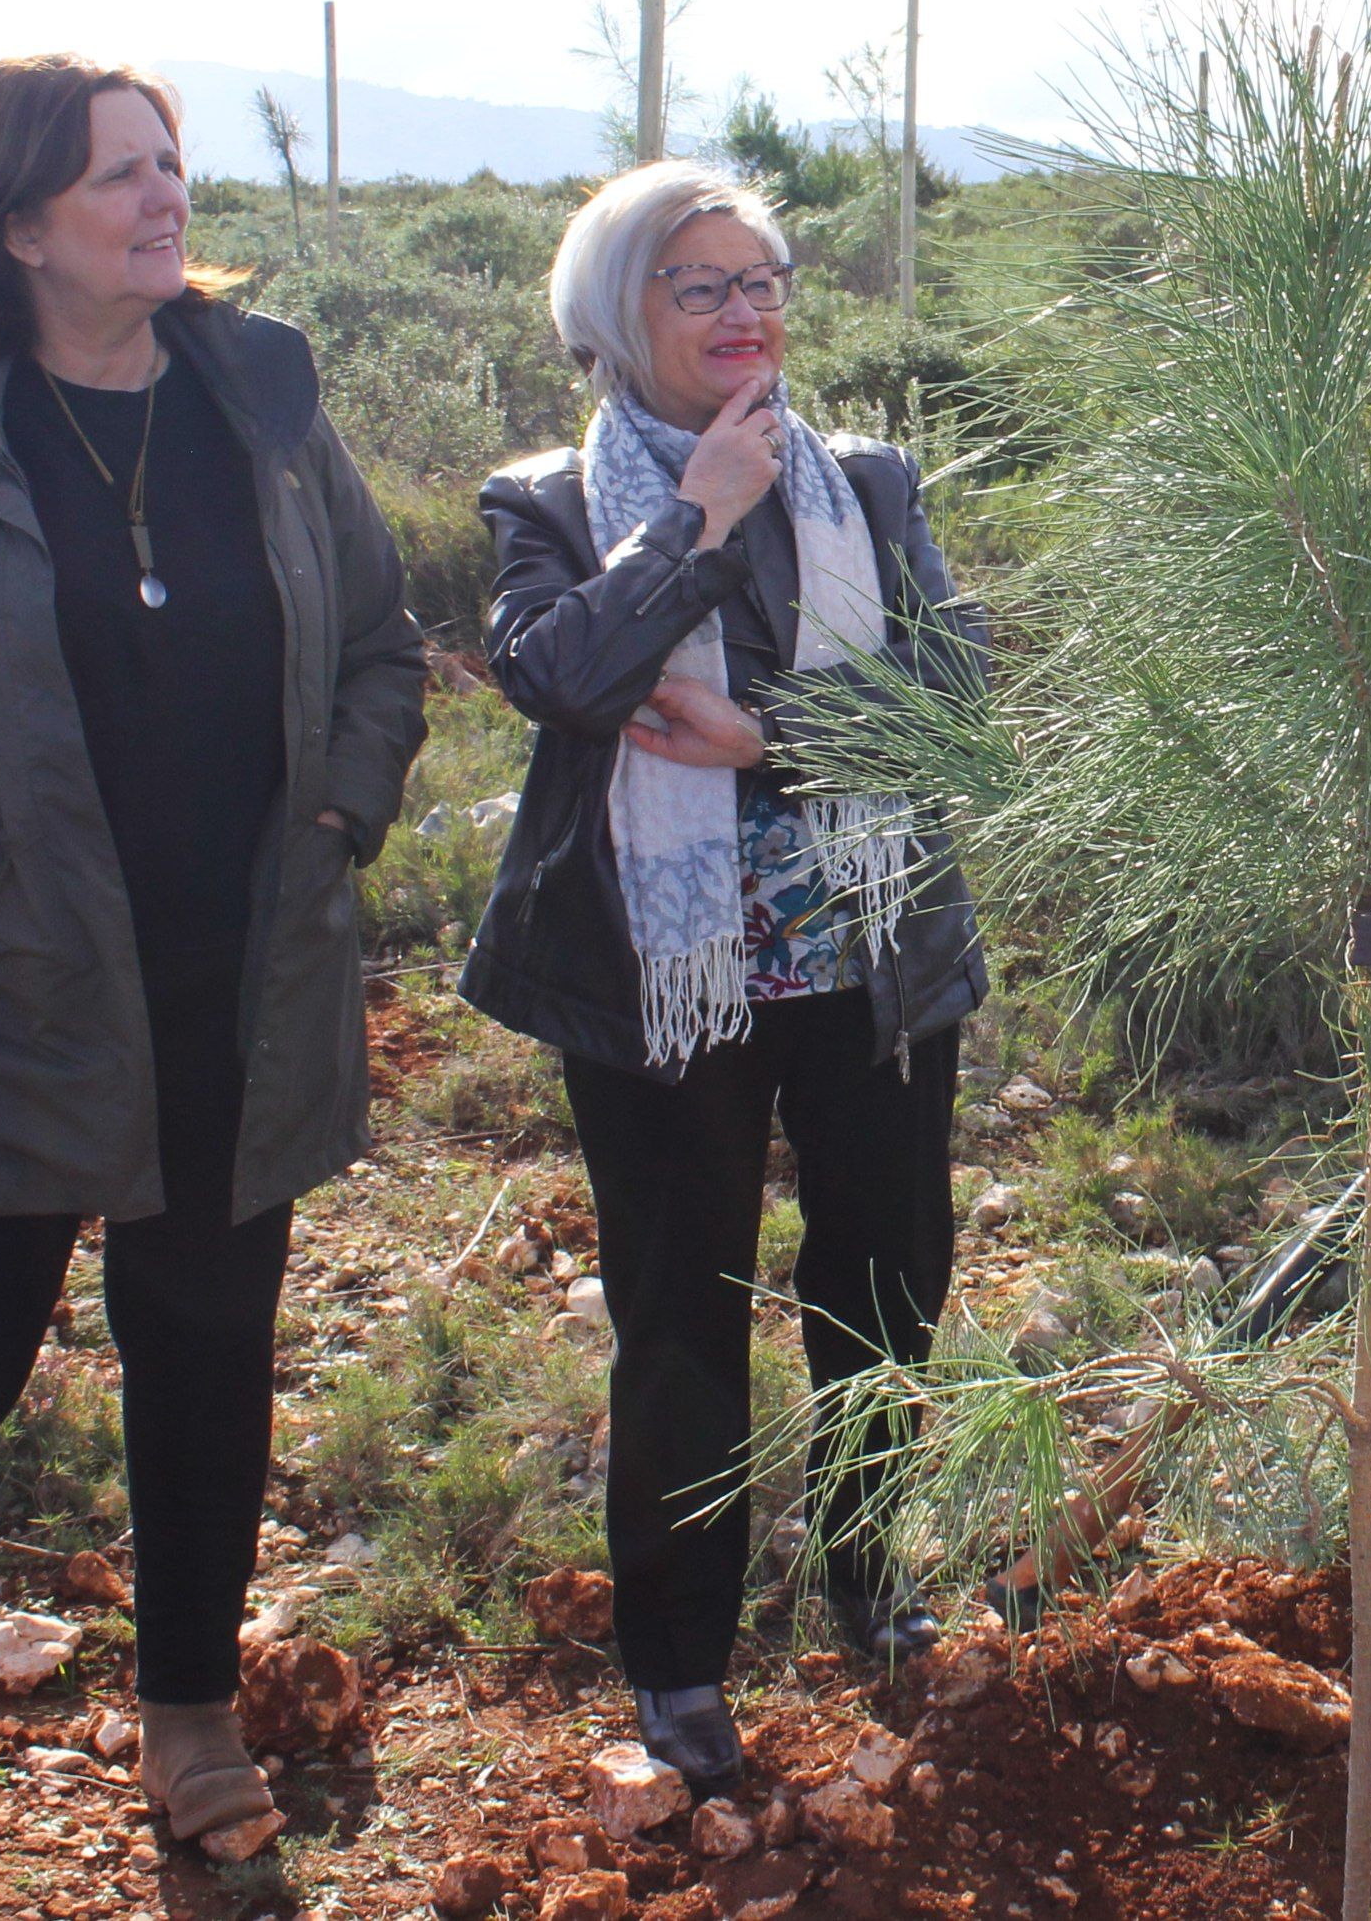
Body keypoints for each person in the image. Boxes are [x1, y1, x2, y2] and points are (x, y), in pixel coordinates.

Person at [0, 57, 429, 1891]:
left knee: (204, 1354)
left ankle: (191, 1718)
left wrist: (339, 815)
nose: (164, 196)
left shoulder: (260, 397)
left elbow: (377, 639)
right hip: (1, 985)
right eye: (121, 174)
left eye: (170, 163)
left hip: (236, 974)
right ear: (20, 222)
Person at [459, 159, 988, 1799]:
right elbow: (563, 675)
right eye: (703, 286)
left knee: (883, 1282)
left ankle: (865, 1574)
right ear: (620, 311)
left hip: (868, 952)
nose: (747, 311)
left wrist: (769, 738)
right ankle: (678, 1660)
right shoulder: (551, 502)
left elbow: (955, 699)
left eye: (763, 281)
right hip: (662, 982)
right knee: (679, 1314)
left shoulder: (868, 485)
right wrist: (694, 517)